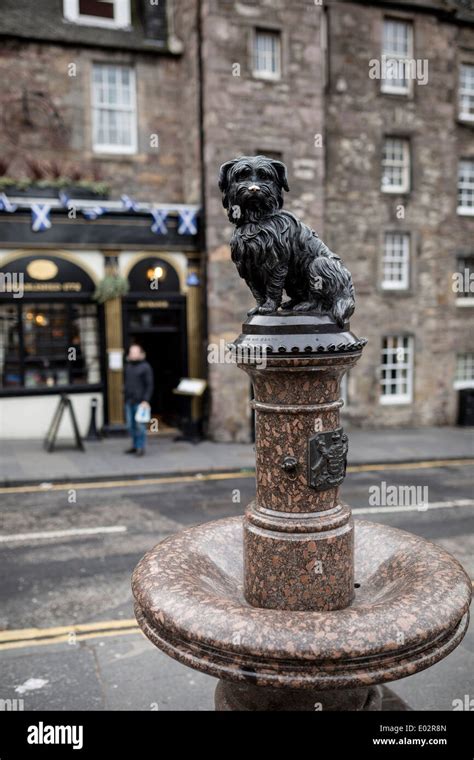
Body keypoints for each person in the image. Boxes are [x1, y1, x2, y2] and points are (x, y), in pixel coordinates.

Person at [124, 343, 154, 456]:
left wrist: (146, 400)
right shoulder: (128, 366)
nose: (131, 354)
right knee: (130, 426)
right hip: (129, 401)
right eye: (131, 352)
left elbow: (149, 385)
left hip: (140, 402)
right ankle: (135, 445)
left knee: (140, 426)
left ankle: (141, 448)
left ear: (140, 354)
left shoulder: (145, 367)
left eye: (134, 352)